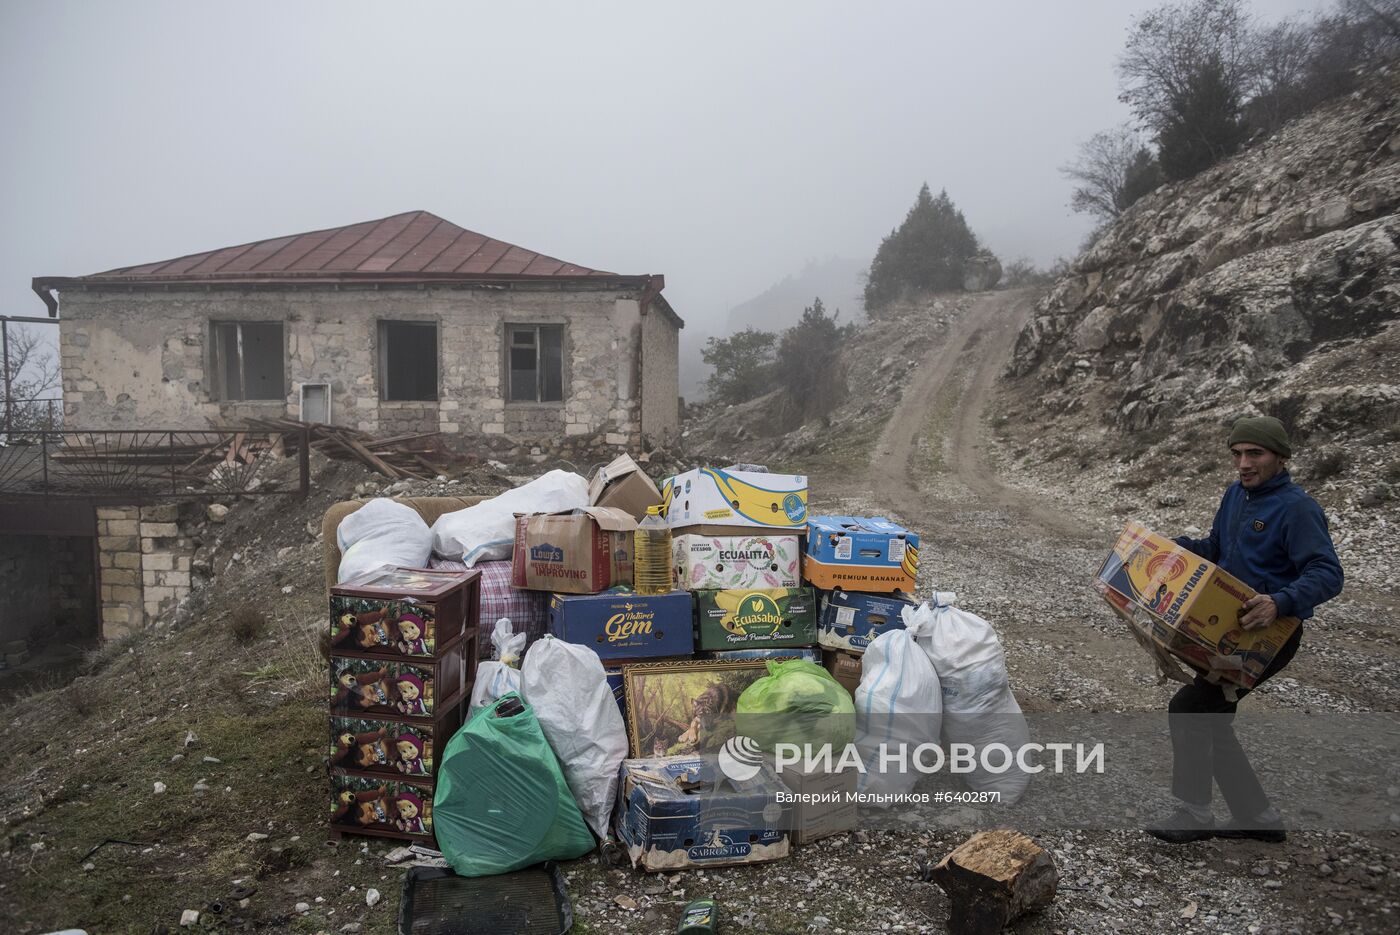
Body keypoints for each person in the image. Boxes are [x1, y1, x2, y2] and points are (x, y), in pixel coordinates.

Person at [1147, 415, 1343, 844]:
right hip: (1226, 633)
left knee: (1191, 709)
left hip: (1268, 638)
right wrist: (1176, 548)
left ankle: (1194, 812)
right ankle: (1258, 817)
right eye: (1238, 454)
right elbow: (1216, 550)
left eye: (1255, 453)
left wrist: (1280, 601)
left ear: (1280, 457)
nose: (1244, 463)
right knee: (1212, 719)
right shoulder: (1235, 495)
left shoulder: (1298, 508)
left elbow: (1328, 572)